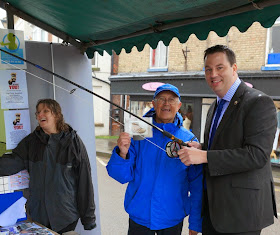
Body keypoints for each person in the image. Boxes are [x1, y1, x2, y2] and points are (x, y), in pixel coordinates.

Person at [178, 45, 277, 235]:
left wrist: (205, 156)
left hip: (241, 213)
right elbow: (225, 145)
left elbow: (257, 155)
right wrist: (202, 147)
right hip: (214, 211)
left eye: (219, 67)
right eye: (208, 69)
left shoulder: (258, 102)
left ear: (234, 68)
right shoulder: (215, 106)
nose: (213, 74)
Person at [106, 84, 203, 235]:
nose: (166, 103)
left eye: (171, 100)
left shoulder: (188, 139)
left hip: (172, 218)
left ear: (179, 106)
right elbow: (121, 176)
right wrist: (122, 153)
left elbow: (197, 185)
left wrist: (195, 223)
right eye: (161, 99)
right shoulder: (139, 129)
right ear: (153, 103)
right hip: (139, 217)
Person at [0, 99, 96, 234]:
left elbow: (84, 182)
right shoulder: (31, 142)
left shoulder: (73, 142)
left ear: (57, 114)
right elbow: (12, 162)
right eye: (38, 112)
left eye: (45, 111)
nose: (40, 115)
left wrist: (88, 218)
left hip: (65, 216)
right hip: (39, 215)